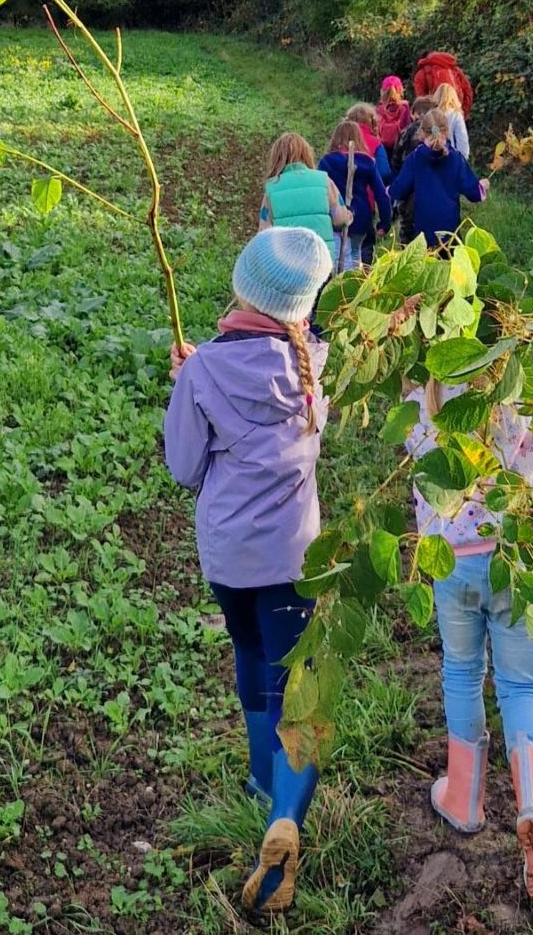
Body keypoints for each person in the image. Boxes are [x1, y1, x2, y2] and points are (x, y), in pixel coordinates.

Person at [164, 227, 334, 916]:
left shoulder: (204, 369)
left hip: (230, 559)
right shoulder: (317, 362)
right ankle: (284, 816)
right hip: (296, 558)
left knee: (251, 657)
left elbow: (184, 467)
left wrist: (188, 385)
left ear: (242, 286)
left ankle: (262, 784)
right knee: (300, 688)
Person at [404, 379, 533, 908]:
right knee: (520, 685)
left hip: (452, 560)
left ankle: (463, 798)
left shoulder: (425, 394)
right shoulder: (529, 385)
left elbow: (415, 449)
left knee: (461, 671)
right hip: (519, 558)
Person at [388, 108, 487, 250]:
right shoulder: (456, 158)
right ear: (447, 131)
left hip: (422, 231)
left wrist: (389, 190)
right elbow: (473, 192)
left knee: (425, 262)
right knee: (448, 261)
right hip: (449, 230)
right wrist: (482, 186)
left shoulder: (415, 158)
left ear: (422, 133)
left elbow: (399, 189)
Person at [320, 119, 391, 272]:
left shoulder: (327, 162)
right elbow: (381, 194)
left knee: (340, 256)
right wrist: (385, 223)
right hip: (361, 216)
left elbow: (320, 192)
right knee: (355, 253)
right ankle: (355, 282)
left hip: (336, 216)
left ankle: (343, 283)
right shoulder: (367, 162)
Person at [258, 132, 352, 245]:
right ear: (306, 154)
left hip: (286, 253)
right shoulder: (323, 180)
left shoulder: (272, 187)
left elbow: (264, 233)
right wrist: (349, 216)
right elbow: (340, 218)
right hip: (320, 251)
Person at [391, 96, 437, 244]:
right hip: (434, 190)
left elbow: (395, 161)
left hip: (409, 191)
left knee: (408, 235)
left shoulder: (405, 132)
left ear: (413, 113)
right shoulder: (437, 133)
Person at [413, 51, 474, 116]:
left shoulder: (421, 73)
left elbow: (421, 101)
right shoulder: (454, 70)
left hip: (436, 115)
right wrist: (463, 113)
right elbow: (467, 92)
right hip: (456, 110)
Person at [432, 82, 471, 158]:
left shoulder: (431, 114)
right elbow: (462, 139)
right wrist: (463, 157)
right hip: (450, 155)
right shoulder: (456, 115)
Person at [375, 76, 412, 152]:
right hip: (400, 149)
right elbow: (408, 127)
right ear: (401, 91)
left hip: (382, 148)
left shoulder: (379, 109)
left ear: (382, 91)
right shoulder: (404, 108)